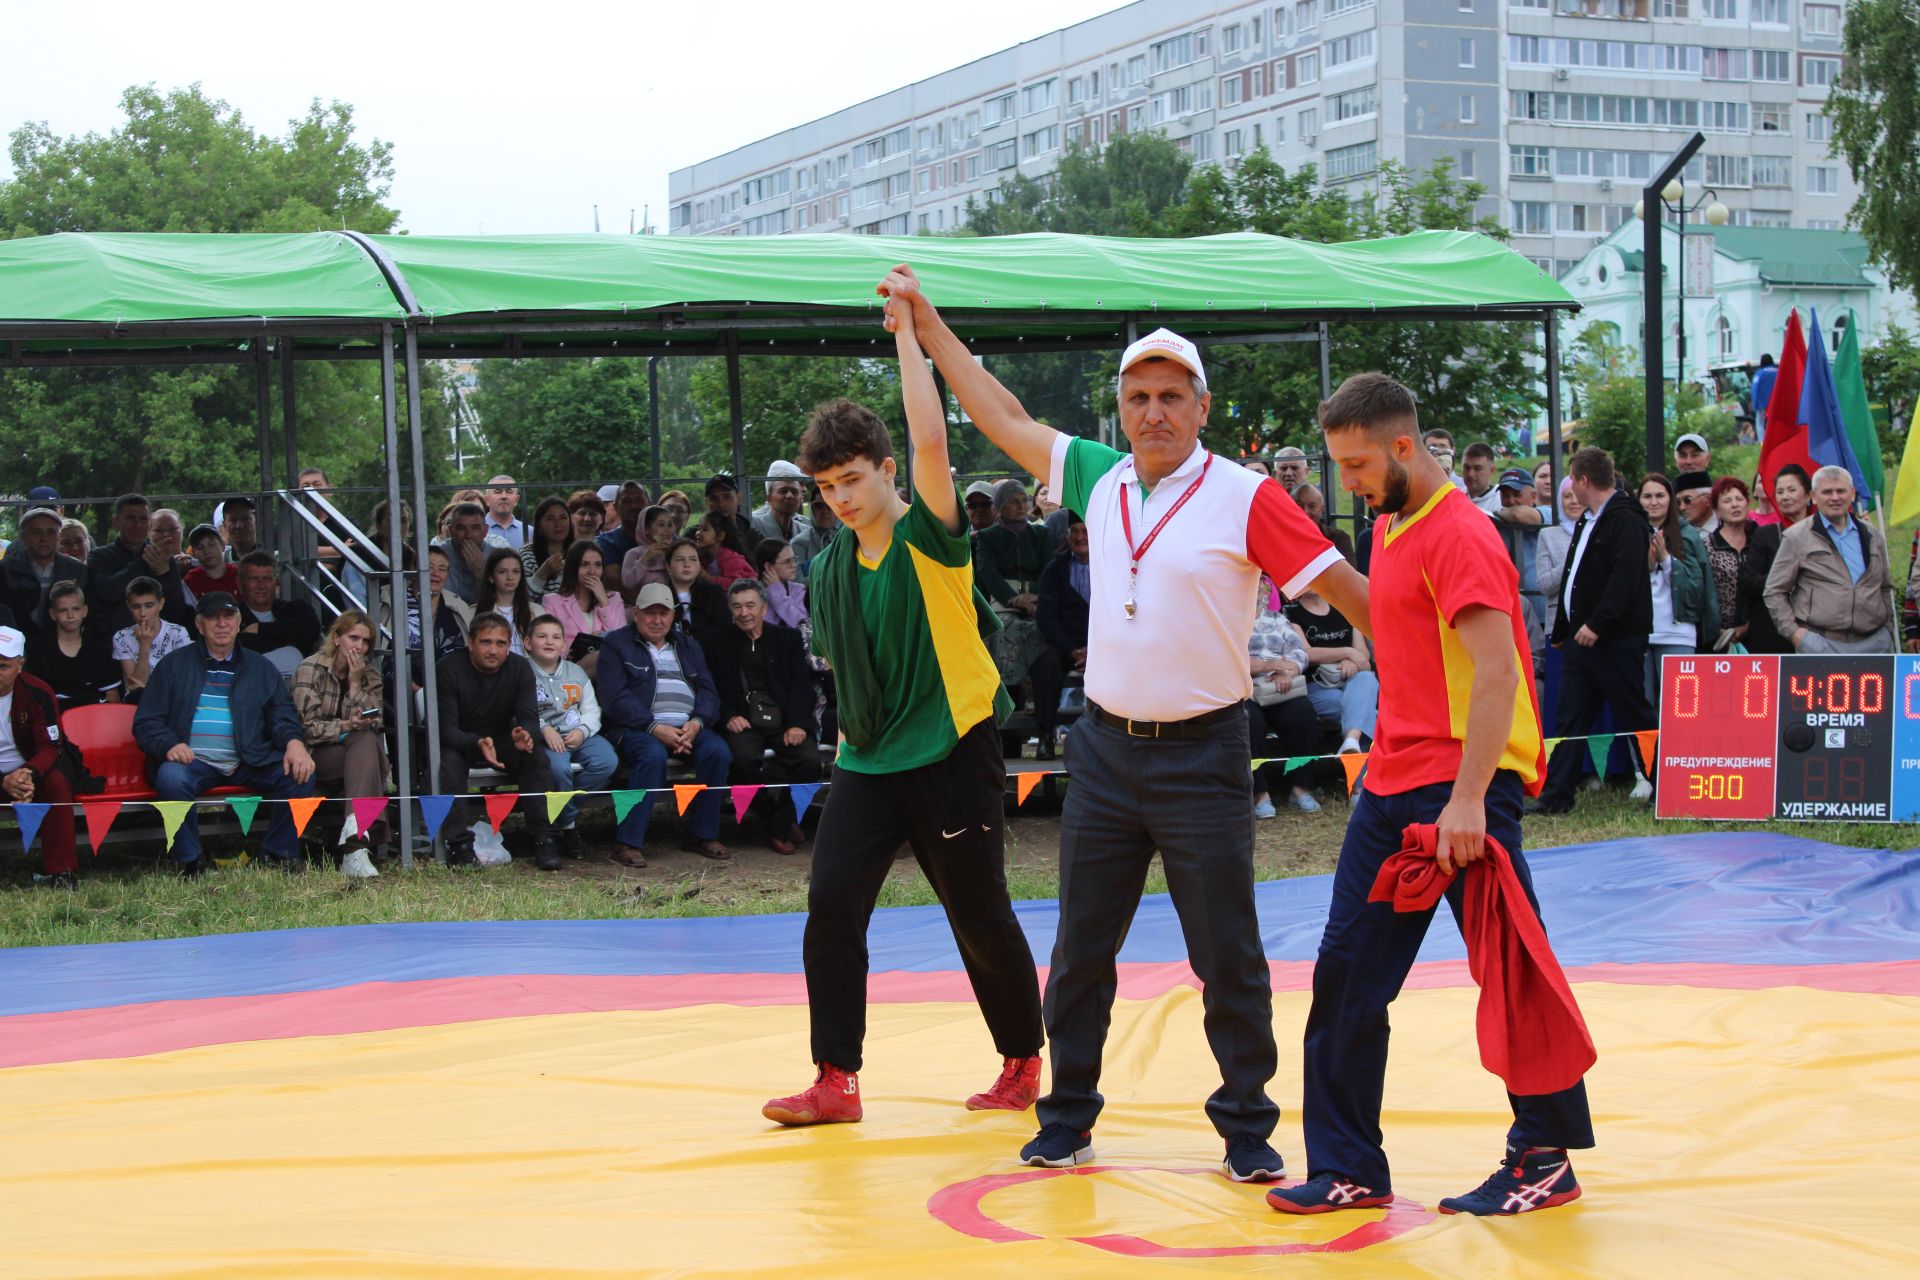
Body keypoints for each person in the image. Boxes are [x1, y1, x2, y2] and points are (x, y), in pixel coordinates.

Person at [878, 264, 1370, 1180]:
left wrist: (1441, 662)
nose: (1154, 412)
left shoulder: (1246, 495)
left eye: (1171, 397)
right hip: (1104, 750)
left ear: (1201, 407)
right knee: (1081, 949)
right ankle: (1066, 1116)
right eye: (1138, 396)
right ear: (1121, 408)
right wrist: (934, 328)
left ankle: (1248, 1128)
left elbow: (1348, 594)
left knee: (1227, 951)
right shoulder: (1099, 479)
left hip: (1205, 754)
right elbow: (1004, 418)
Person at [1266, 371, 1593, 1218]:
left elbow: (1497, 672)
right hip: (1394, 783)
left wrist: (1472, 797)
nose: (1349, 481)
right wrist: (1302, 554)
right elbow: (1394, 619)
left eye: (1359, 463)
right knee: (1345, 977)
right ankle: (1347, 1166)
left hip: (1457, 788)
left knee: (1513, 971)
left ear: (1404, 446)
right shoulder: (1395, 524)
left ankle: (1544, 1157)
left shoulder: (1461, 533)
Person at [759, 303, 1045, 1132]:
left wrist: (906, 335)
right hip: (870, 757)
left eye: (852, 479)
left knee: (978, 914)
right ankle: (835, 1079)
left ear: (886, 471)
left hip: (953, 749)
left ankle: (1023, 1058)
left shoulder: (933, 538)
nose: (840, 498)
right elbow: (854, 671)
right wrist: (851, 746)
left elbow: (933, 441)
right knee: (831, 904)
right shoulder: (828, 567)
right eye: (825, 487)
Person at [134, 591, 316, 877]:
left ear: (239, 621)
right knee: (170, 778)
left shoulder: (261, 667)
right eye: (213, 617)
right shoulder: (173, 665)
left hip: (250, 757)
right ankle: (189, 861)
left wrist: (294, 743)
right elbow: (146, 722)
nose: (221, 624)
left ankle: (280, 853)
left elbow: (281, 715)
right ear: (199, 624)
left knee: (300, 772)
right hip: (193, 760)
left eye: (228, 616)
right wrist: (169, 744)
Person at [1529, 447, 1655, 816]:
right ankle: (1557, 795)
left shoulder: (1626, 519)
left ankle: (1663, 786)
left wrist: (1597, 624)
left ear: (1585, 481)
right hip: (1579, 642)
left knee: (1634, 714)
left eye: (1572, 479)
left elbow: (1625, 579)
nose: (1569, 488)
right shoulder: (1589, 519)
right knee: (1570, 717)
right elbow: (1574, 577)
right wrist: (1567, 629)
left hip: (1614, 639)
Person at [594, 582, 732, 867]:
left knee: (717, 752)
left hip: (687, 727)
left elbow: (708, 691)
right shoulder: (616, 643)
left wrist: (696, 722)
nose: (657, 620)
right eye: (650, 613)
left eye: (664, 613)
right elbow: (614, 698)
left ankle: (702, 834)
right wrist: (654, 727)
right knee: (652, 755)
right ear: (636, 613)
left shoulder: (688, 644)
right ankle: (627, 842)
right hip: (636, 728)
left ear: (673, 615)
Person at [701, 580, 820, 854]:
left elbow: (802, 685)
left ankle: (779, 824)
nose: (744, 613)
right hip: (742, 721)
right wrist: (727, 716)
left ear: (764, 608)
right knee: (740, 761)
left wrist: (798, 724)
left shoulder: (786, 638)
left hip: (784, 720)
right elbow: (708, 688)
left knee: (810, 761)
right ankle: (774, 818)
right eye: (737, 606)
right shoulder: (716, 641)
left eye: (750, 605)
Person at [435, 614, 558, 869]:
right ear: (471, 643)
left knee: (535, 757)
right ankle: (459, 845)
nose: (493, 650)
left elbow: (530, 718)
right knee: (448, 764)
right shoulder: (448, 669)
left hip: (503, 738)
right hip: (461, 740)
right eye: (486, 642)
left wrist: (526, 735)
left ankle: (544, 838)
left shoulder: (520, 668)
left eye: (501, 643)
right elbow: (445, 730)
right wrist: (477, 742)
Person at [291, 611, 391, 876]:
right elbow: (306, 728)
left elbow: (375, 720)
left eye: (366, 641)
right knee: (370, 753)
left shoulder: (369, 674)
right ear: (336, 638)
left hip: (356, 753)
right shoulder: (309, 668)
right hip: (314, 756)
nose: (359, 646)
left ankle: (354, 842)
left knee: (367, 741)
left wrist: (356, 684)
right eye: (353, 637)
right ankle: (356, 844)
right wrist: (345, 726)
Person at [1764, 465, 1894, 653]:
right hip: (1821, 643)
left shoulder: (1872, 534)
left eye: (1840, 491)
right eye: (1827, 492)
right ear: (1814, 496)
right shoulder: (1797, 536)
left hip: (1874, 641)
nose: (1835, 497)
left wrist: (1887, 629)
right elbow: (1774, 590)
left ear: (1851, 494)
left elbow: (1885, 586)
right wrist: (1794, 633)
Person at [0, 627, 89, 890]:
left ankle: (62, 872)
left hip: (30, 769)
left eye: (3, 666)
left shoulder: (37, 692)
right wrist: (5, 781)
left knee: (57, 783)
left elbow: (50, 747)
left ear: (20, 664)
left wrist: (26, 774)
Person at [525, 613, 618, 860]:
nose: (549, 642)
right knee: (558, 771)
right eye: (541, 636)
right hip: (546, 738)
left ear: (563, 645)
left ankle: (563, 812)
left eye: (556, 637)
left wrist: (582, 731)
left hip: (579, 735)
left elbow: (590, 709)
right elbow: (522, 710)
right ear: (528, 642)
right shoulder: (523, 672)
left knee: (607, 762)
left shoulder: (576, 672)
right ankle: (569, 827)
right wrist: (543, 729)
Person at [1637, 474, 1718, 707]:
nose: (1654, 502)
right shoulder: (1629, 531)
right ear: (1639, 500)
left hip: (1677, 632)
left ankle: (1676, 747)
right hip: (1638, 633)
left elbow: (1697, 586)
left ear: (1670, 500)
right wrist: (1647, 565)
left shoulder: (1688, 534)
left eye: (1660, 496)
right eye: (1648, 496)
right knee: (1642, 708)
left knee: (1678, 707)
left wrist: (1666, 560)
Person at [1246, 588, 1321, 816]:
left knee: (1303, 714)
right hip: (1246, 689)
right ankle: (1260, 794)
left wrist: (1287, 672)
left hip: (1280, 687)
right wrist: (1269, 666)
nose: (1257, 590)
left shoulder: (1277, 619)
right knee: (1250, 720)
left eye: (1261, 585)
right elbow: (1228, 657)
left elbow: (1299, 653)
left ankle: (1300, 789)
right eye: (1253, 584)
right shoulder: (1229, 619)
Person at [1287, 584, 1378, 757]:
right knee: (1363, 713)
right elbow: (1307, 653)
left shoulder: (1344, 608)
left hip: (1354, 680)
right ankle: (1360, 781)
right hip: (1317, 685)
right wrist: (1347, 653)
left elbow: (1363, 658)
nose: (1313, 582)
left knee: (1366, 678)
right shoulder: (1291, 613)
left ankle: (1351, 742)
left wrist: (1351, 660)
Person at [1706, 477, 1788, 654]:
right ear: (1717, 511)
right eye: (1727, 501)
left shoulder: (1761, 541)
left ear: (1747, 503)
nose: (1735, 505)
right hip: (1718, 635)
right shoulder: (1707, 546)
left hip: (1760, 630)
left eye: (1739, 499)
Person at [85, 494, 183, 639]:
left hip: (158, 644)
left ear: (149, 523)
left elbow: (177, 611)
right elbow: (107, 593)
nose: (137, 525)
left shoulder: (163, 558)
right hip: (110, 644)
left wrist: (164, 574)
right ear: (116, 521)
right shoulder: (99, 557)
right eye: (130, 518)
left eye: (143, 519)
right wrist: (143, 563)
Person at [1033, 515, 1091, 754]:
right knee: (1044, 665)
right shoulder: (1054, 570)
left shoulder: (1113, 565)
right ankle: (1045, 736)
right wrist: (1073, 650)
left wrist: (1095, 649)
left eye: (1085, 531)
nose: (1080, 538)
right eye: (1074, 532)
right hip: (1066, 644)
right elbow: (1046, 616)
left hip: (1104, 644)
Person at [25, 582, 121, 707]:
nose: (70, 616)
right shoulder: (36, 650)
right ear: (53, 614)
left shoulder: (99, 652)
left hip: (91, 716)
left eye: (76, 609)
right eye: (63, 610)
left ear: (85, 611)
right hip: (52, 716)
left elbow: (112, 696)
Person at [234, 551, 322, 679]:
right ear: (239, 583)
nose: (261, 586)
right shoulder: (230, 615)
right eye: (254, 579)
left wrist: (260, 629)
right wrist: (288, 640)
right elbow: (234, 649)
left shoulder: (294, 608)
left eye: (267, 579)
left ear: (276, 582)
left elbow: (311, 629)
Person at [2, 505, 86, 637]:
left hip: (63, 646)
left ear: (58, 536)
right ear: (24, 538)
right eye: (36, 532)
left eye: (51, 532)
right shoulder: (5, 569)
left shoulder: (77, 570)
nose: (44, 538)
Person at [541, 539, 625, 665]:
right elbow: (549, 643)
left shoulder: (613, 599)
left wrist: (603, 600)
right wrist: (585, 644)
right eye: (584, 565)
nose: (592, 571)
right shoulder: (552, 601)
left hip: (607, 669)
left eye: (598, 565)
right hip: (569, 667)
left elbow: (622, 640)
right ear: (572, 568)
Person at [112, 577, 192, 702]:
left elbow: (182, 679)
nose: (143, 613)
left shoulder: (177, 633)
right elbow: (134, 687)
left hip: (169, 700)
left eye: (149, 606)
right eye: (136, 606)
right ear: (128, 606)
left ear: (161, 604)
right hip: (136, 703)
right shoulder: (121, 637)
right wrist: (144, 645)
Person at [1534, 478, 1583, 639]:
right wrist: (1571, 561)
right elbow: (1544, 584)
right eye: (1567, 496)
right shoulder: (1548, 535)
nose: (1574, 501)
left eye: (1578, 495)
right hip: (1558, 626)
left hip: (1591, 626)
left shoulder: (1598, 532)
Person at [433, 502, 499, 604]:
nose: (468, 535)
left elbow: (501, 601)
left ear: (485, 531)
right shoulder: (438, 556)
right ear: (451, 530)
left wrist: (481, 572)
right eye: (461, 528)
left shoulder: (497, 558)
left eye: (475, 528)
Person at [475, 546, 536, 656]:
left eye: (516, 572)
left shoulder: (536, 611)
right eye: (502, 572)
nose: (510, 577)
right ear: (491, 577)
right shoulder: (474, 612)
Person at [663, 537, 729, 637]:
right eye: (680, 560)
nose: (687, 564)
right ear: (668, 566)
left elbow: (724, 630)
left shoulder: (714, 593)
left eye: (693, 559)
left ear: (699, 565)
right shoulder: (659, 595)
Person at [750, 460, 815, 546]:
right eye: (783, 491)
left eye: (794, 491)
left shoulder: (807, 529)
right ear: (769, 498)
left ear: (801, 498)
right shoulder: (753, 524)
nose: (789, 496)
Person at [620, 506, 678, 599]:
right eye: (661, 525)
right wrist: (644, 559)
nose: (667, 529)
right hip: (645, 607)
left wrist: (672, 553)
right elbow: (628, 583)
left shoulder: (677, 551)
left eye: (670, 525)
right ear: (646, 529)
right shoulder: (634, 553)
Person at [1289, 482, 1356, 563]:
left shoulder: (1338, 539)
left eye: (1312, 506)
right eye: (1299, 505)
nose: (1305, 511)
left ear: (1322, 509)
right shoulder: (1280, 539)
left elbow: (1348, 574)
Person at [521, 497, 574, 598]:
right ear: (539, 526)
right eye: (550, 519)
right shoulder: (527, 555)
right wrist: (543, 572)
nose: (558, 524)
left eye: (563, 518)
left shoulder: (580, 554)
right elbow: (524, 598)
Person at [701, 473, 761, 561]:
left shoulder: (754, 538)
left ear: (739, 498)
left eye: (727, 497)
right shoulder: (696, 536)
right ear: (706, 503)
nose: (721, 504)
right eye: (714, 498)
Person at [754, 538, 808, 630]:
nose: (794, 565)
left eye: (794, 559)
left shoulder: (799, 590)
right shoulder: (750, 591)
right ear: (768, 566)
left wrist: (777, 593)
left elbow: (803, 626)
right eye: (788, 561)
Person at [594, 481, 651, 568]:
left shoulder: (666, 538)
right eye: (626, 501)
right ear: (616, 507)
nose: (633, 506)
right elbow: (613, 579)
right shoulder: (606, 542)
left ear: (650, 504)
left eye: (639, 500)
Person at [695, 510, 754, 585]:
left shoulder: (729, 558)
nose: (698, 533)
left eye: (705, 529)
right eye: (698, 528)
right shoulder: (705, 557)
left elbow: (735, 583)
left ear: (720, 535)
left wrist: (709, 578)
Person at [183, 523, 236, 603]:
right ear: (194, 552)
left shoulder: (238, 574)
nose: (207, 551)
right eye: (200, 547)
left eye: (211, 545)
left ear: (222, 545)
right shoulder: (190, 581)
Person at [482, 475, 527, 548]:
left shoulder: (529, 532)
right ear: (487, 500)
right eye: (498, 492)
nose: (504, 496)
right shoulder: (476, 530)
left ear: (516, 500)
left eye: (509, 492)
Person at [1459, 442, 1501, 514]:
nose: (1470, 474)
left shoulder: (1500, 501)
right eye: (1466, 468)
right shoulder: (1456, 498)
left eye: (1477, 468)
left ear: (1492, 470)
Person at [1771, 463, 1812, 529]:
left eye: (1792, 490)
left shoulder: (1823, 531)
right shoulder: (1765, 534)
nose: (1784, 497)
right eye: (1780, 492)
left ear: (1808, 495)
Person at [219, 496, 261, 560]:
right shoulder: (221, 561)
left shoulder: (273, 558)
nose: (239, 526)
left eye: (246, 519)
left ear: (257, 521)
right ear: (224, 525)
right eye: (233, 520)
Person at [1751, 352, 1778, 427]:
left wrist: (1755, 405)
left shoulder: (1760, 373)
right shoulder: (1779, 372)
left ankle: (1762, 438)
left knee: (1760, 423)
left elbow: (1755, 389)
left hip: (1763, 404)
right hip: (1777, 404)